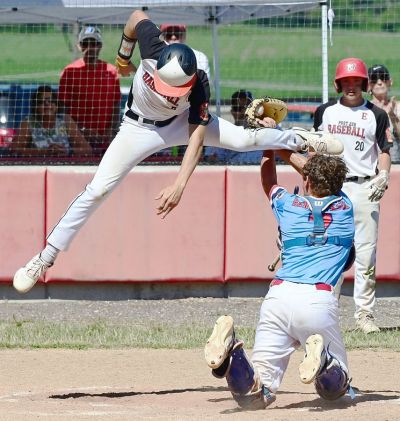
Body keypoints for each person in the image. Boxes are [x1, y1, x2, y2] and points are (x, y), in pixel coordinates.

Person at [13, 10, 342, 294]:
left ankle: (301, 140)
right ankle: (44, 259)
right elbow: (135, 18)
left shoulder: (198, 82)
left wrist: (180, 185)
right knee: (97, 189)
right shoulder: (153, 46)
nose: (173, 91)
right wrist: (124, 57)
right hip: (137, 129)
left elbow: (196, 139)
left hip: (180, 123)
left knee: (243, 140)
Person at [204, 151, 355, 409]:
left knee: (253, 395)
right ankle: (325, 363)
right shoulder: (345, 207)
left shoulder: (290, 204)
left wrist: (271, 145)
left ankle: (233, 352)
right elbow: (317, 175)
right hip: (317, 301)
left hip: (278, 297)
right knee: (334, 390)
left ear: (306, 180)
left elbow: (269, 181)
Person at [313, 58, 392, 334]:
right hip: (332, 188)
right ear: (338, 84)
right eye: (346, 81)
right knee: (331, 251)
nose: (351, 86)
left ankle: (364, 314)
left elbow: (384, 150)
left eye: (356, 81)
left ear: (363, 84)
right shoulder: (325, 112)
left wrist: (383, 175)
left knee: (366, 254)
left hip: (364, 187)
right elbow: (314, 149)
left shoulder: (376, 114)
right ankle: (327, 311)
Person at [58, 26, 122, 157]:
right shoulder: (69, 72)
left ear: (100, 46)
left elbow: (116, 105)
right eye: (85, 43)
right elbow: (62, 109)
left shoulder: (111, 71)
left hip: (105, 138)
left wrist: (110, 131)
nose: (90, 47)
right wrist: (80, 131)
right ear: (79, 46)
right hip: (76, 139)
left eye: (94, 43)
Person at [11, 85, 92, 158]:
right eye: (42, 102)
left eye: (51, 101)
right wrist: (45, 152)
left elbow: (87, 150)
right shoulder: (29, 122)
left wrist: (67, 151)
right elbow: (13, 150)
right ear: (35, 107)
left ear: (56, 105)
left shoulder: (65, 120)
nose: (47, 104)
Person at [204, 90, 263, 164]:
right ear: (232, 111)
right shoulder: (222, 135)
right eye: (238, 108)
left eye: (248, 108)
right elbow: (210, 160)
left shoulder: (267, 130)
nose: (243, 112)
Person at [368, 64, 400, 163]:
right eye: (374, 79)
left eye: (383, 77)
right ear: (369, 85)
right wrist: (378, 116)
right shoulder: (366, 108)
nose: (379, 82)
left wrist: (392, 116)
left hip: (395, 163)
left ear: (390, 81)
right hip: (372, 164)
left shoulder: (397, 106)